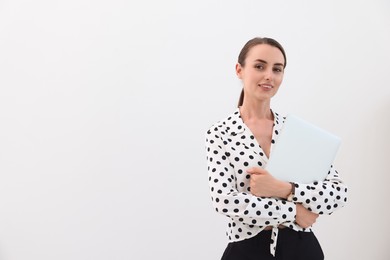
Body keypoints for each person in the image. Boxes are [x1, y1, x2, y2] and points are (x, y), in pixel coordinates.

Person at [205, 37, 348, 260]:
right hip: (247, 248)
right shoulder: (221, 133)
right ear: (239, 70)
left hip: (302, 248)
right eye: (259, 66)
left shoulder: (297, 132)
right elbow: (226, 201)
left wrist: (284, 189)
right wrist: (295, 211)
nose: (269, 75)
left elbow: (338, 193)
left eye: (277, 69)